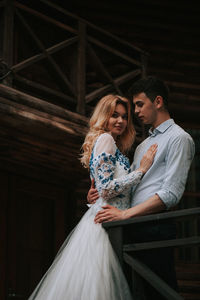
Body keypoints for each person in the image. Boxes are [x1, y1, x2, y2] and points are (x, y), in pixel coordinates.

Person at [28, 94, 157, 300]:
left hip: (111, 220)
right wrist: (140, 171)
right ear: (104, 116)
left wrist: (94, 196)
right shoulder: (106, 139)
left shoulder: (111, 145)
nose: (121, 121)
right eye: (114, 115)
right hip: (104, 224)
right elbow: (106, 189)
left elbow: (100, 188)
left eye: (124, 117)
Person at [89, 77, 195, 299]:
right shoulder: (143, 146)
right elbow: (130, 185)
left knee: (159, 291)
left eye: (139, 104)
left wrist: (125, 214)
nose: (135, 112)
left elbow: (171, 194)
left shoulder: (179, 138)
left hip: (153, 227)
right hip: (129, 227)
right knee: (133, 293)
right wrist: (99, 194)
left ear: (157, 101)